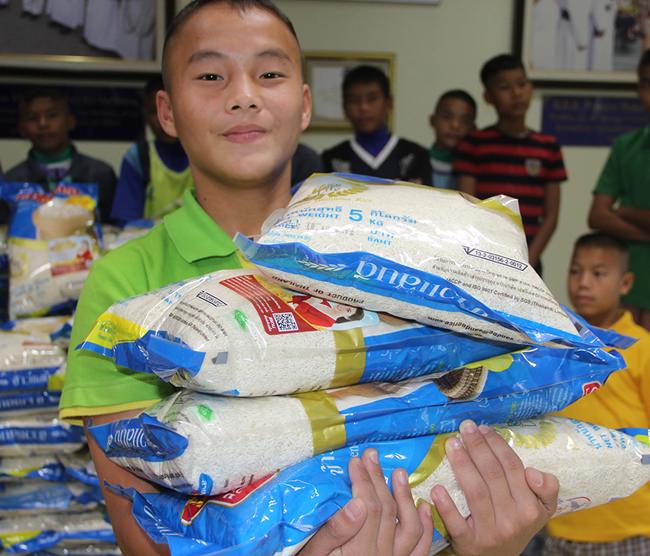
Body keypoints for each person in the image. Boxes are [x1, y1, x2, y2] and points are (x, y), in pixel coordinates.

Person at [58, 2, 559, 555]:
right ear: (167, 111)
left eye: (269, 74)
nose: (243, 94)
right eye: (209, 75)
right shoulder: (124, 287)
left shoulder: (389, 256)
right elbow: (144, 541)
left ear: (303, 105)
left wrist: (490, 544)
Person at [543, 232, 650, 555]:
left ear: (626, 283)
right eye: (575, 271)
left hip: (628, 527)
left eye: (598, 273)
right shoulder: (553, 344)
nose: (583, 283)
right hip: (561, 521)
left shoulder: (642, 348)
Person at [453, 54, 567, 274]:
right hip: (484, 259)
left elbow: (551, 216)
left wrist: (528, 260)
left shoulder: (548, 146)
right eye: (505, 87)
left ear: (530, 88)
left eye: (522, 84)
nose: (516, 93)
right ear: (488, 96)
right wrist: (485, 255)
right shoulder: (474, 144)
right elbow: (469, 206)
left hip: (531, 261)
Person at [587, 49, 650, 330]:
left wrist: (628, 213)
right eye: (647, 82)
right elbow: (598, 215)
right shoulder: (627, 145)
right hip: (632, 282)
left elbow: (610, 212)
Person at [5, 87, 116, 223]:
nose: (43, 124)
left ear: (70, 121)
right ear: (22, 128)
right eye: (33, 118)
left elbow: (115, 229)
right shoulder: (11, 180)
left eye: (52, 115)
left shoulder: (101, 174)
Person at [321, 65, 432, 184]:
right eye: (354, 100)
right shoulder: (331, 159)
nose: (363, 107)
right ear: (344, 107)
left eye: (372, 99)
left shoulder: (415, 155)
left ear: (389, 103)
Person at [111, 75, 193, 225]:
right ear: (145, 118)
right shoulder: (138, 157)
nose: (164, 118)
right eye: (153, 112)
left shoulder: (206, 154)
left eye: (171, 108)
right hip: (152, 243)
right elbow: (126, 222)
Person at [428, 89, 476, 189]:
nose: (455, 125)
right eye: (447, 117)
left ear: (473, 129)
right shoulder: (415, 162)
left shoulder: (475, 169)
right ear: (432, 120)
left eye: (465, 121)